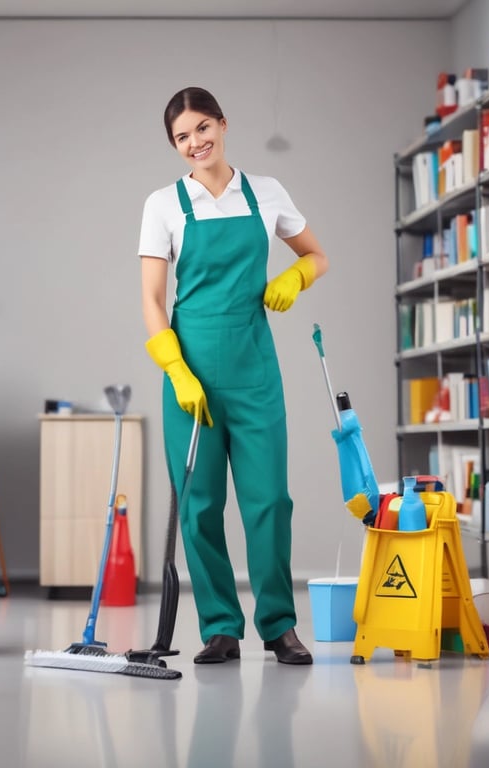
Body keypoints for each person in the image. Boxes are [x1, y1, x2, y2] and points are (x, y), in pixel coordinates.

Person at [139, 86, 328, 665]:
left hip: (253, 370)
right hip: (189, 373)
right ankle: (221, 627)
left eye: (202, 128)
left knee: (269, 500)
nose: (195, 143)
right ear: (174, 146)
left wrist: (295, 279)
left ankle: (279, 626)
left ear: (222, 124)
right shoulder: (163, 204)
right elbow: (150, 298)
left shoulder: (266, 192)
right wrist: (175, 369)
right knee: (198, 505)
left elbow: (316, 254)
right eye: (182, 137)